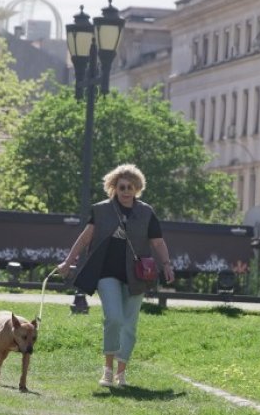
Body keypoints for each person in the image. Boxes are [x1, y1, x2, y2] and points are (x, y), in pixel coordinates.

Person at [58, 163, 175, 387]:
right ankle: (107, 370)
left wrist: (167, 264)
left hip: (137, 276)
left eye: (130, 187)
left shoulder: (146, 212)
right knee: (114, 318)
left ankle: (121, 373)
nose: (126, 191)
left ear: (137, 188)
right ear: (114, 187)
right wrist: (68, 261)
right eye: (122, 187)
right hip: (107, 273)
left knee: (130, 324)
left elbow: (158, 242)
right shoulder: (101, 210)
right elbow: (85, 238)